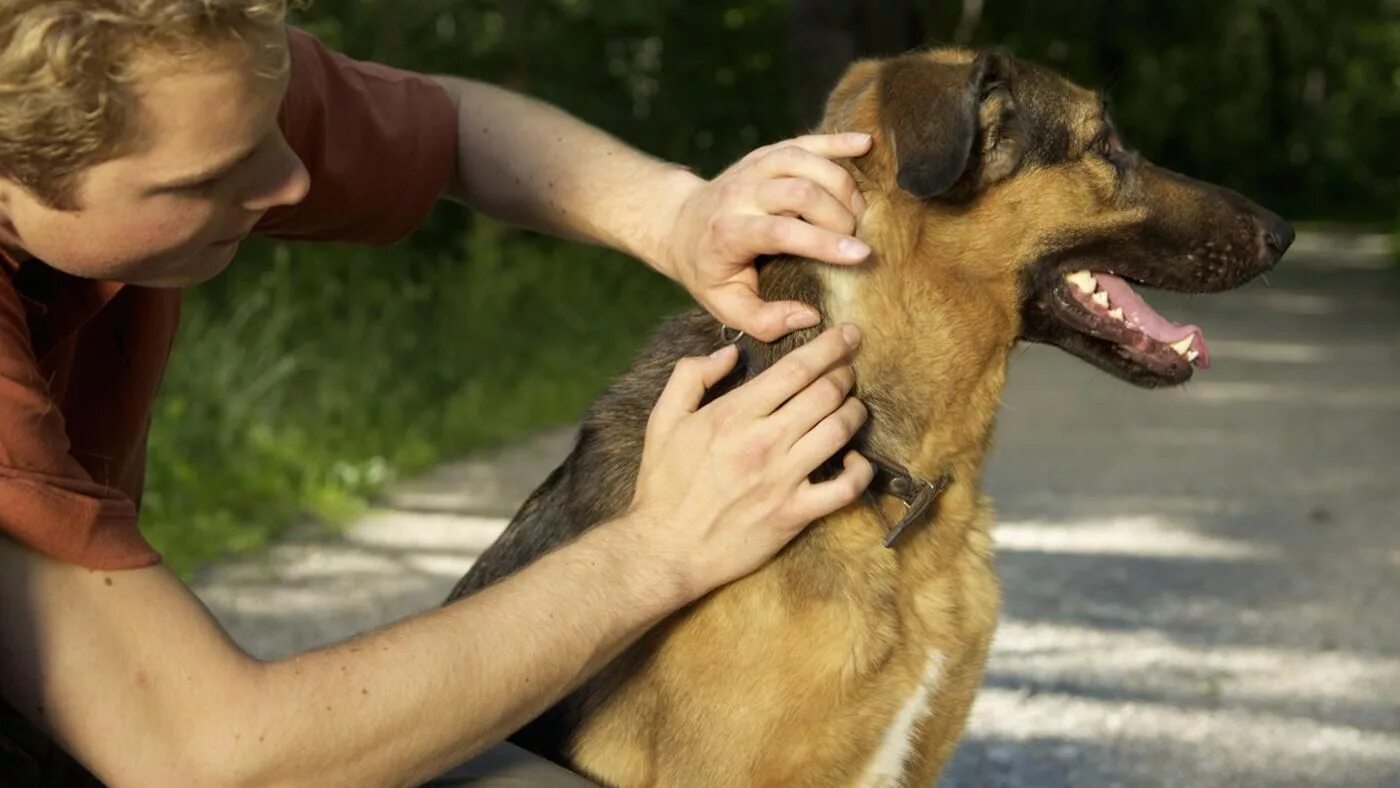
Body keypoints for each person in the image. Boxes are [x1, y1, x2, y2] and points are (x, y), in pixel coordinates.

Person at [0, 2, 877, 785]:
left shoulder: (173, 69)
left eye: (273, 121)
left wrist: (679, 216)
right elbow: (213, 755)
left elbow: (454, 125)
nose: (291, 179)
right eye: (200, 181)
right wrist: (662, 547)